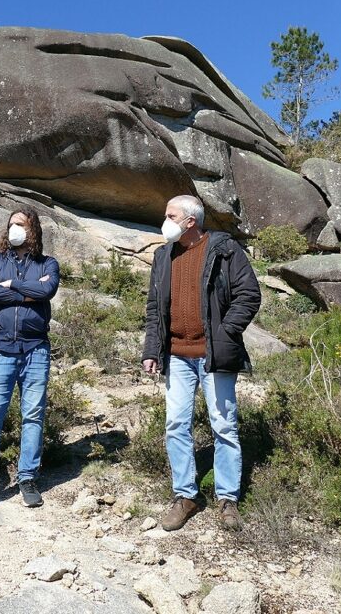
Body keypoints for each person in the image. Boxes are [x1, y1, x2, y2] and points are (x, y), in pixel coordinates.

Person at [141, 195, 260, 532]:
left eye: (170, 215)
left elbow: (249, 294)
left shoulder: (224, 249)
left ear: (190, 221)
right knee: (176, 425)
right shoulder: (163, 256)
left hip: (214, 356)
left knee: (224, 427)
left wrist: (225, 333)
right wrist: (152, 350)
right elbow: (154, 308)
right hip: (176, 356)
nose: (164, 221)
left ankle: (228, 500)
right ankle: (186, 496)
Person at [0, 207, 60, 510]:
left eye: (20, 224)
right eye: (10, 225)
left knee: (32, 416)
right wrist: (29, 292)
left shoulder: (49, 263)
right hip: (2, 349)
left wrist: (13, 286)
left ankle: (27, 478)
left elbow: (49, 289)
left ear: (33, 230)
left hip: (36, 349)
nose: (14, 229)